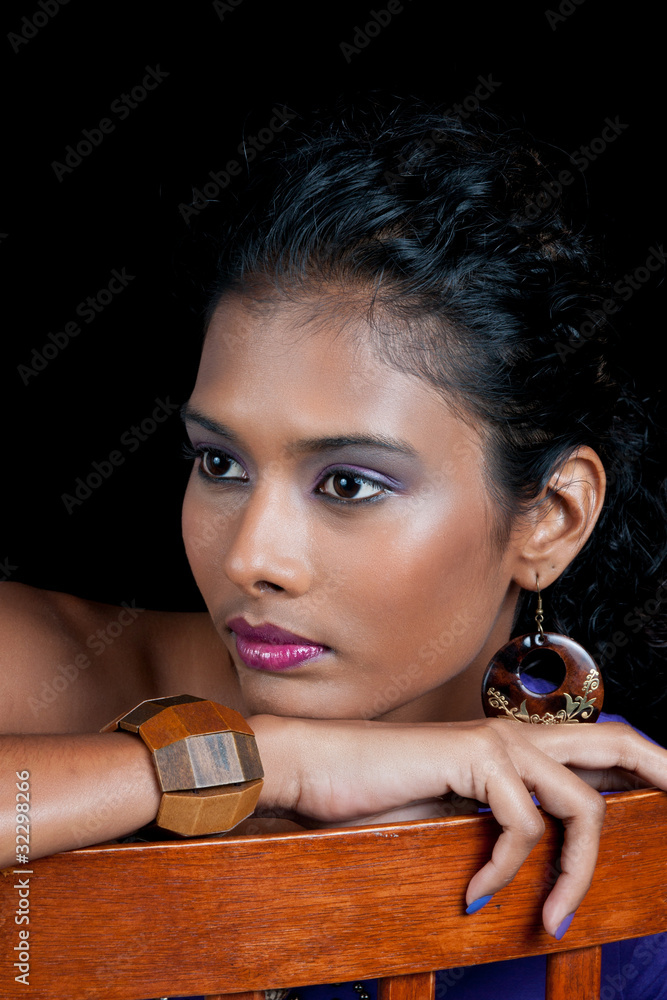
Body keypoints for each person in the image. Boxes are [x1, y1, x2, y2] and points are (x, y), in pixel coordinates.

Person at [1, 95, 666, 999]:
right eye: (220, 463)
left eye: (349, 484)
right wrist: (266, 760)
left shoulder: (621, 831)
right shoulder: (50, 671)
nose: (251, 559)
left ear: (549, 518)